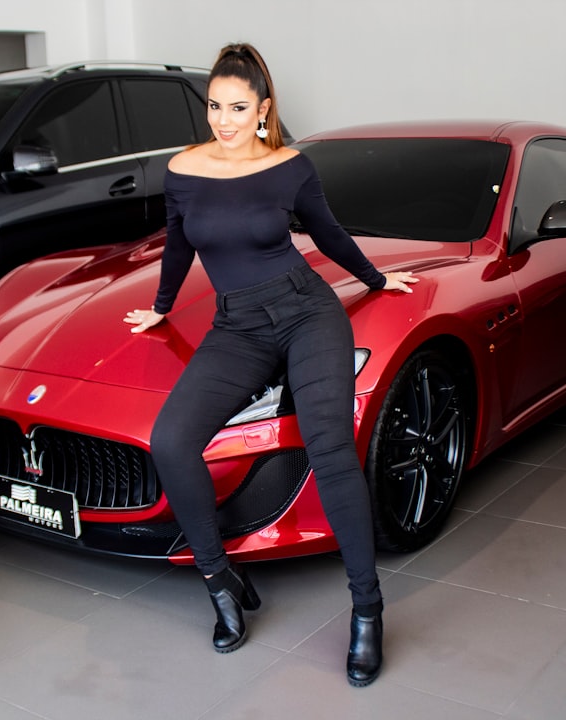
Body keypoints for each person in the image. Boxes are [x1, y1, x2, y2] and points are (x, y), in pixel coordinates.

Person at [124, 42, 416, 687]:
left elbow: (330, 232)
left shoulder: (289, 167)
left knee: (331, 447)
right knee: (172, 441)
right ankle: (221, 580)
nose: (223, 119)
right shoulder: (183, 169)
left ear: (263, 109)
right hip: (237, 325)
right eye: (213, 105)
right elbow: (177, 245)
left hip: (307, 311)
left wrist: (373, 278)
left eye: (237, 106)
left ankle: (367, 611)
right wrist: (161, 306)